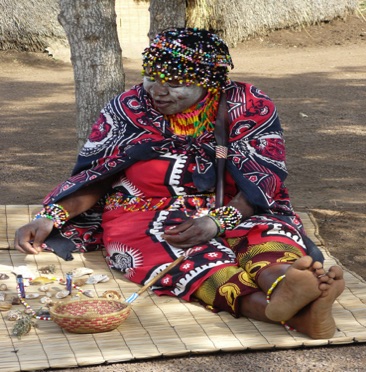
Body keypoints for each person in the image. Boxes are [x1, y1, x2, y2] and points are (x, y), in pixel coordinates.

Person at [14, 28, 345, 339]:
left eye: (174, 82)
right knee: (183, 257)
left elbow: (265, 174)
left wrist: (219, 220)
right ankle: (301, 316)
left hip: (232, 204)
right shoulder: (127, 110)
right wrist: (51, 216)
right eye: (152, 78)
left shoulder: (247, 104)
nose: (158, 91)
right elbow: (96, 176)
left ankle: (285, 281)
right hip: (142, 211)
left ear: (208, 83)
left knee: (266, 231)